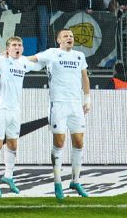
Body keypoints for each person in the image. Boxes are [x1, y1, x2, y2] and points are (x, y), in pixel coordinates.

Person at [27, 28, 91, 200]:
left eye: (71, 36)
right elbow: (31, 59)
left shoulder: (79, 56)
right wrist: (12, 57)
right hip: (58, 105)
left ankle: (75, 181)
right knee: (60, 142)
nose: (69, 38)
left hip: (76, 105)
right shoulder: (52, 53)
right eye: (65, 36)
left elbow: (85, 77)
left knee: (78, 142)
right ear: (58, 40)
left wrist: (87, 99)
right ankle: (57, 183)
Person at [0, 36, 44, 196]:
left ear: (22, 48)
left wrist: (53, 56)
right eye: (14, 45)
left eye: (19, 45)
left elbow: (39, 66)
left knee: (13, 144)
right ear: (8, 48)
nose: (17, 47)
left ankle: (8, 177)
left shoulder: (23, 62)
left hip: (15, 110)